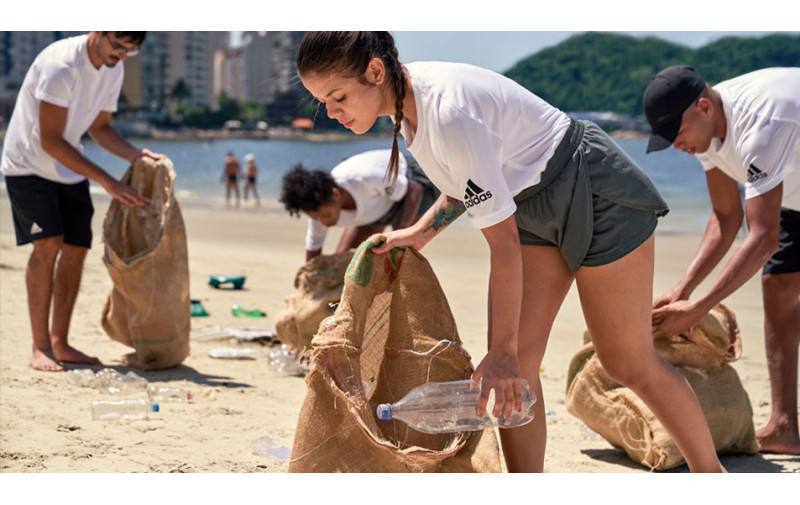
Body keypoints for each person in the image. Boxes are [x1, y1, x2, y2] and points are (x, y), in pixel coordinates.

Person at [296, 32, 725, 472]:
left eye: (338, 97)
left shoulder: (445, 111)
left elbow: (503, 245)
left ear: (374, 71)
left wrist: (500, 351)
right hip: (532, 203)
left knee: (626, 362)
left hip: (595, 189)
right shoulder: (408, 110)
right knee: (517, 367)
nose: (332, 113)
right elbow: (470, 180)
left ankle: (713, 478)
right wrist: (422, 230)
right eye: (322, 103)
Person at [644, 65, 800, 455]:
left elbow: (761, 238)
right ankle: (783, 426)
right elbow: (727, 217)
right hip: (793, 190)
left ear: (703, 107)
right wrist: (683, 288)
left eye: (677, 136)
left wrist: (698, 308)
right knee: (778, 284)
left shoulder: (760, 127)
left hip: (784, 174)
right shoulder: (706, 132)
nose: (677, 147)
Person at [0, 31, 159, 372]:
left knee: (75, 248)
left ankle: (60, 342)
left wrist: (134, 155)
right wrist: (106, 180)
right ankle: (40, 347)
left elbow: (100, 128)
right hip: (27, 164)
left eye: (129, 50)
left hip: (68, 168)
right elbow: (51, 141)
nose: (120, 56)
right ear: (98, 31)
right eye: (117, 45)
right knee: (47, 244)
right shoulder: (61, 65)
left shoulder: (114, 68)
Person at [280, 149, 439, 262]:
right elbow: (314, 248)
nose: (324, 223)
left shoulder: (364, 176)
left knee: (396, 256)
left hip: (411, 188)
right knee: (342, 264)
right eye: (317, 219)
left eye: (326, 216)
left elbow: (414, 189)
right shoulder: (317, 208)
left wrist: (402, 231)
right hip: (375, 208)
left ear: (336, 195)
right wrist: (311, 279)